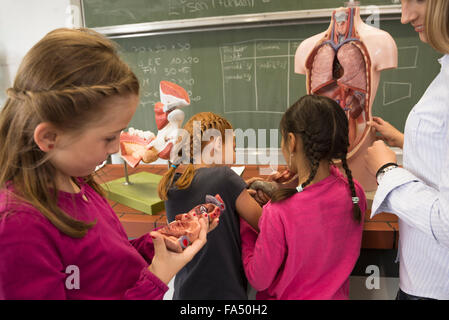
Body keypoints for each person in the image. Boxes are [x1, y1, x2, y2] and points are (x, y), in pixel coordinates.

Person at [0, 28, 217, 300]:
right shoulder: (18, 227)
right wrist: (158, 278)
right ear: (49, 137)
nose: (116, 148)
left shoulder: (79, 183)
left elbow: (111, 262)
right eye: (108, 137)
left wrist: (163, 239)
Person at [240, 95, 367, 300]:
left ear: (291, 141)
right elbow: (319, 199)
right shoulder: (355, 193)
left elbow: (258, 278)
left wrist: (246, 226)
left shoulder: (278, 211)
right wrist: (294, 184)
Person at [365, 0, 449, 300]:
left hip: (435, 285)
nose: (404, 16)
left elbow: (446, 222)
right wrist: (404, 139)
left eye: (417, 0)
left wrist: (386, 172)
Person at [157, 111, 262, 299]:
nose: (235, 156)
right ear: (215, 145)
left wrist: (239, 190)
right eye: (233, 147)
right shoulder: (225, 177)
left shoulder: (172, 185)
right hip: (225, 294)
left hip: (185, 293)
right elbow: (264, 224)